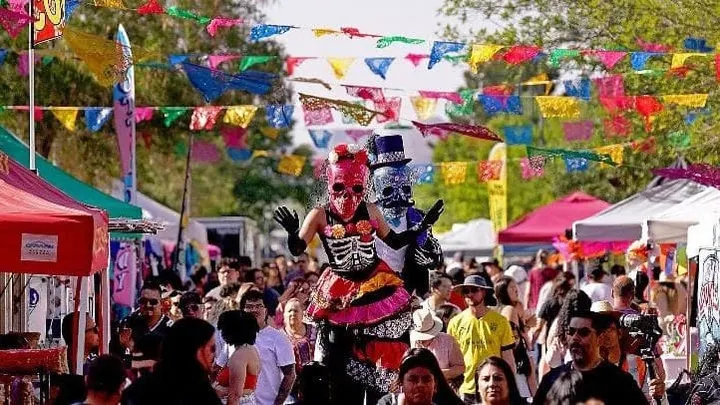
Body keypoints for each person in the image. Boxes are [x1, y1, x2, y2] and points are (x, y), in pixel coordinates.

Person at [274, 143, 444, 404]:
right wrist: (290, 233)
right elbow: (298, 248)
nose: (348, 196)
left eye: (356, 189)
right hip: (339, 290)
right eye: (340, 188)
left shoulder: (372, 210)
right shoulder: (319, 214)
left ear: (364, 187)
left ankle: (380, 394)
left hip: (377, 284)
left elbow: (396, 241)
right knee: (338, 356)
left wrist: (423, 226)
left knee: (382, 353)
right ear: (331, 185)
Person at [367, 134, 444, 298]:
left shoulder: (418, 216)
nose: (398, 197)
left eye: (405, 190)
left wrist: (432, 256)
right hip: (372, 290)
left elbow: (434, 253)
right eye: (389, 190)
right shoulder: (367, 216)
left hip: (409, 290)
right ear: (377, 188)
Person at [532, 311, 649, 405]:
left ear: (600, 338)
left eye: (583, 333)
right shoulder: (552, 379)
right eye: (571, 332)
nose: (575, 338)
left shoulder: (620, 381)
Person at [447, 275, 515, 404]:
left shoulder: (500, 321)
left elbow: (508, 359)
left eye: (474, 290)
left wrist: (511, 386)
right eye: (466, 291)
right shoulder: (455, 323)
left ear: (483, 292)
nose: (470, 294)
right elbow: (451, 359)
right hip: (466, 387)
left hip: (493, 386)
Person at [121, 317, 221, 405]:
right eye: (212, 348)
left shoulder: (136, 390)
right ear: (197, 351)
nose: (214, 354)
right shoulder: (200, 394)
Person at [239, 289, 296, 405]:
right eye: (249, 306)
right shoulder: (232, 338)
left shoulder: (278, 338)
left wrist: (277, 403)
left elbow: (290, 375)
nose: (254, 310)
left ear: (265, 311)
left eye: (259, 306)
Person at [494, 276, 537, 399]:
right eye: (512, 288)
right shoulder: (509, 309)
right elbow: (513, 336)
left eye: (516, 287)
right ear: (503, 291)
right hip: (516, 358)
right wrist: (527, 326)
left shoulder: (500, 308)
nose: (516, 290)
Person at [376, 348, 463, 405]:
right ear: (402, 382)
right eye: (413, 379)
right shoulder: (387, 403)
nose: (420, 385)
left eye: (426, 379)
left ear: (435, 384)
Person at [214, 310, 261, 405]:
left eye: (224, 329)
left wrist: (221, 391)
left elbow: (235, 396)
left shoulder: (240, 356)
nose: (222, 333)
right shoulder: (250, 349)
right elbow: (248, 387)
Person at [409, 308, 464, 383]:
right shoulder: (412, 341)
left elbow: (460, 368)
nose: (420, 341)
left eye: (424, 338)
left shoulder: (447, 340)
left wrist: (437, 374)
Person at [281, 298, 317, 404]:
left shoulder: (315, 330)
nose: (292, 313)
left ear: (303, 314)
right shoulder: (279, 337)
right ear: (284, 315)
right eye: (289, 311)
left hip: (315, 384)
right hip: (291, 390)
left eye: (296, 311)